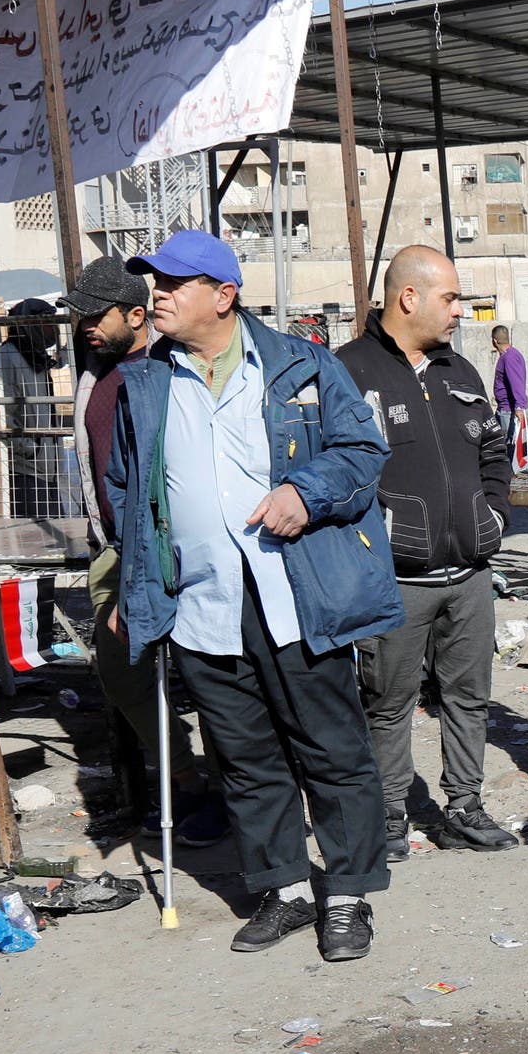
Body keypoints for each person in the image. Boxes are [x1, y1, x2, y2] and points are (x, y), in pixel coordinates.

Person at [100, 229, 399, 962]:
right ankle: (287, 890)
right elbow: (127, 494)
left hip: (295, 593)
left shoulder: (301, 364)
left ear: (224, 295)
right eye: (154, 282)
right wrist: (133, 582)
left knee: (331, 748)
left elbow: (363, 452)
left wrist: (306, 489)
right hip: (202, 604)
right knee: (243, 755)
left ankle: (351, 895)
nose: (156, 295)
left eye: (173, 283)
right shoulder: (142, 384)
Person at [340, 246, 519, 861]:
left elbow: (494, 452)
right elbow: (330, 472)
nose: (459, 311)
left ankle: (464, 807)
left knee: (468, 696)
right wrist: (372, 541)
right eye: (450, 298)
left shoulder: (460, 372)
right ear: (407, 298)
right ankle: (389, 818)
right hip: (395, 582)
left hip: (470, 575)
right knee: (388, 703)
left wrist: (492, 515)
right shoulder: (347, 372)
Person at [66, 253, 221, 846]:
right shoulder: (92, 373)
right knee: (123, 670)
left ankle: (230, 784)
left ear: (136, 313)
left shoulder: (167, 368)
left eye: (95, 315)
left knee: (209, 668)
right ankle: (185, 780)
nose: (85, 326)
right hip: (115, 549)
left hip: (172, 543)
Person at [1, 298, 63, 517]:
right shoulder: (8, 356)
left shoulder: (36, 356)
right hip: (26, 468)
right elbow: (3, 411)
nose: (52, 329)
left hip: (48, 465)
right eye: (47, 323)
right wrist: (26, 448)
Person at [490, 324, 528, 473]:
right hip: (504, 409)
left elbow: (516, 382)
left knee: (508, 444)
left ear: (494, 341)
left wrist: (519, 407)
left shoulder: (510, 358)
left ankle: (508, 475)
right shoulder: (511, 355)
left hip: (508, 410)